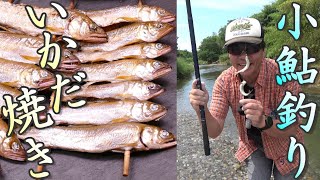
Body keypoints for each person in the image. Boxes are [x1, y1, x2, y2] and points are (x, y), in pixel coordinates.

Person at [189, 17, 304, 179]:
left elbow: (292, 128)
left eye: (251, 48)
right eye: (235, 49)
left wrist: (264, 121)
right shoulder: (223, 82)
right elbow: (214, 132)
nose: (244, 57)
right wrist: (201, 108)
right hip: (254, 146)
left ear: (263, 50)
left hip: (287, 146)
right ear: (228, 54)